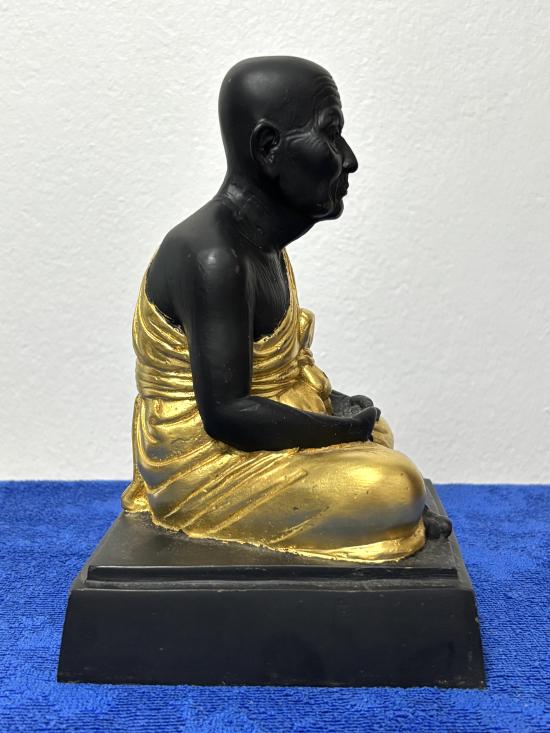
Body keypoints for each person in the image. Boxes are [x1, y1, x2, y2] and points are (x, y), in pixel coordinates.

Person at [122, 56, 450, 562]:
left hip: (256, 433)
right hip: (203, 464)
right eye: (331, 134)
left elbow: (282, 375)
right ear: (269, 148)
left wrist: (337, 405)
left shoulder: (266, 247)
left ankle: (382, 515)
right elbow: (228, 415)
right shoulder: (213, 257)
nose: (349, 159)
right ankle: (387, 514)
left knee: (379, 432)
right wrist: (341, 432)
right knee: (393, 483)